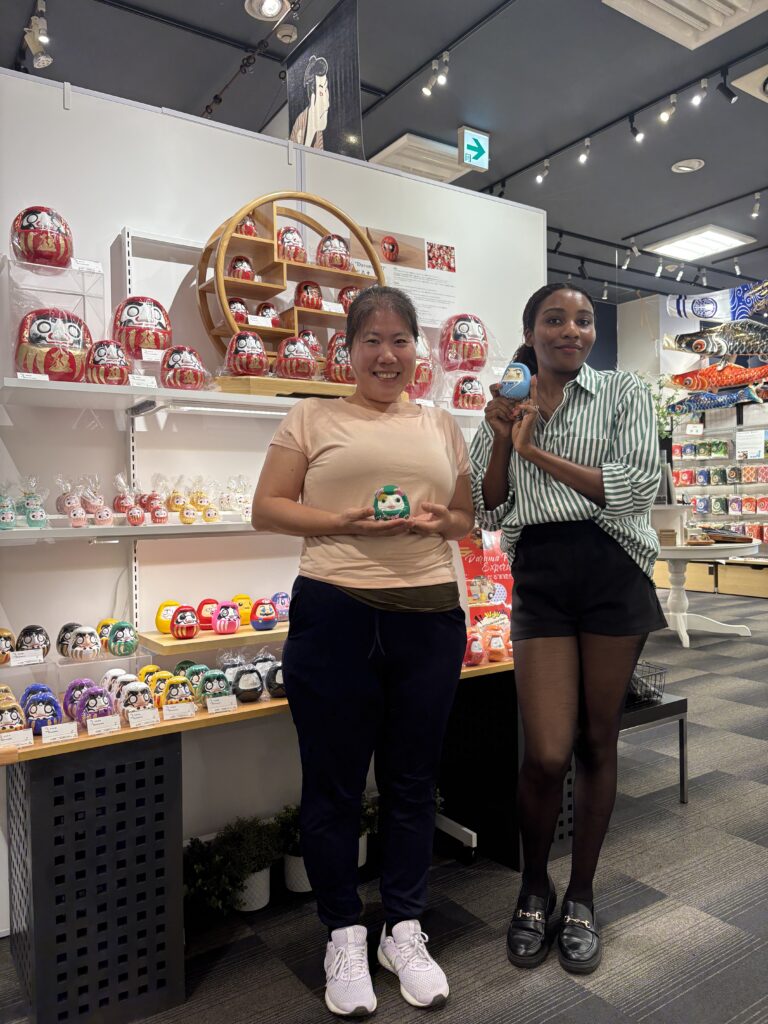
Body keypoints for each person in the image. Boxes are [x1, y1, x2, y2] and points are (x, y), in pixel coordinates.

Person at [252, 286, 473, 1017]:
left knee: (412, 782)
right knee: (333, 786)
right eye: (371, 340)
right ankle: (343, 933)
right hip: (335, 613)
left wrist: (443, 521)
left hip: (430, 617)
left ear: (417, 350)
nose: (386, 354)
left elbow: (466, 518)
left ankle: (403, 929)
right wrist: (340, 520)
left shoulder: (441, 423)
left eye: (400, 339)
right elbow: (266, 508)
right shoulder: (310, 416)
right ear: (346, 350)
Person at [469, 283, 666, 975]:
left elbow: (636, 488)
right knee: (547, 753)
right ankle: (534, 885)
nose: (572, 331)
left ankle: (580, 895)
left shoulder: (623, 392)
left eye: (583, 321)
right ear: (531, 331)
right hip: (544, 578)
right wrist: (504, 439)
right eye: (555, 319)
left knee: (596, 739)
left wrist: (537, 452)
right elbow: (487, 510)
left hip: (614, 569)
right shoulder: (507, 402)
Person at [289, 54, 330, 149]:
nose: (327, 104)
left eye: (326, 90)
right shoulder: (300, 125)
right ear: (312, 96)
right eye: (321, 91)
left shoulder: (318, 132)